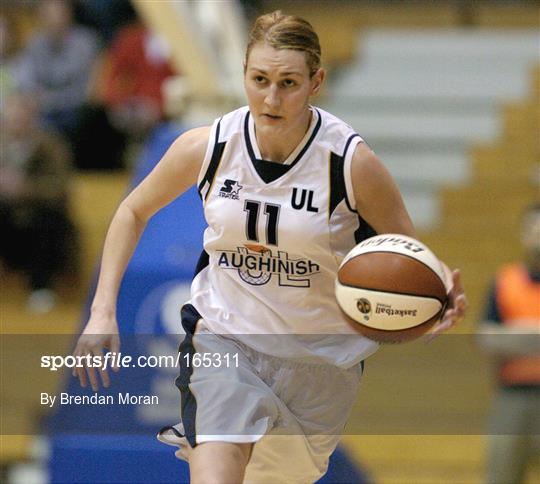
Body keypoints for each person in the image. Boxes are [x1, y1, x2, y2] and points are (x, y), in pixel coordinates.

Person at [73, 11, 467, 483]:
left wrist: (439, 289)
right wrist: (102, 310)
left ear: (316, 82)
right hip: (225, 339)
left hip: (320, 363)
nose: (271, 97)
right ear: (244, 74)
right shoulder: (210, 147)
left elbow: (407, 251)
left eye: (288, 82)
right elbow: (131, 211)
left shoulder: (349, 163)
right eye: (259, 79)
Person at [477, 203, 540, 484]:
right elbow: (486, 338)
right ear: (523, 233)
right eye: (533, 229)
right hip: (512, 398)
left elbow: (500, 337)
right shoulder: (505, 281)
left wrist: (515, 335)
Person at [0, 92, 77, 312]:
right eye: (12, 117)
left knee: (48, 220)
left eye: (22, 116)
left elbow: (60, 187)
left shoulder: (51, 145)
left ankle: (40, 286)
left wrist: (23, 188)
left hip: (40, 216)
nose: (16, 122)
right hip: (6, 216)